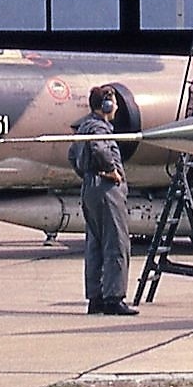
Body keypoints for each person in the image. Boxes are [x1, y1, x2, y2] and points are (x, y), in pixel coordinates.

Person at [74, 85, 137, 315]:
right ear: (107, 105)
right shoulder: (100, 128)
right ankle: (114, 298)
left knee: (95, 245)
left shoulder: (83, 127)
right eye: (114, 103)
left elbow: (73, 156)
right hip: (107, 190)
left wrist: (88, 174)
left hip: (89, 188)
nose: (117, 107)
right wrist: (111, 171)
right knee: (116, 243)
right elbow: (99, 148)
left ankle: (96, 298)